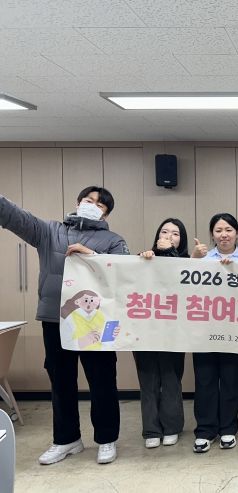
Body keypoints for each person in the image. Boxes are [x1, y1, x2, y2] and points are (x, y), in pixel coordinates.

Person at [0, 186, 128, 465]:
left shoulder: (114, 241)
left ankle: (106, 438)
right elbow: (15, 217)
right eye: (88, 200)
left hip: (97, 322)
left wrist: (90, 256)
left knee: (102, 380)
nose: (92, 205)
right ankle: (67, 439)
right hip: (55, 319)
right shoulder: (50, 231)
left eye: (99, 204)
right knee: (60, 381)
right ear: (78, 202)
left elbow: (123, 275)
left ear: (106, 213)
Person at [190, 213, 238, 453]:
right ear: (212, 234)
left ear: (237, 233)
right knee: (205, 380)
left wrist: (236, 271)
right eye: (218, 230)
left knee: (231, 381)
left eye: (228, 229)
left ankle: (228, 428)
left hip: (235, 331)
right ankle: (205, 431)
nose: (224, 235)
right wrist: (194, 260)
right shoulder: (203, 258)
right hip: (204, 330)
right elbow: (186, 288)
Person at [134, 218, 189, 449]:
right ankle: (151, 429)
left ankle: (172, 426)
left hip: (172, 331)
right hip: (144, 330)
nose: (168, 236)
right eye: (164, 232)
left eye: (175, 233)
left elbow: (182, 284)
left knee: (170, 378)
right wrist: (146, 259)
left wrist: (170, 254)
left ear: (181, 240)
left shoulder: (188, 263)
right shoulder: (143, 259)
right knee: (148, 379)